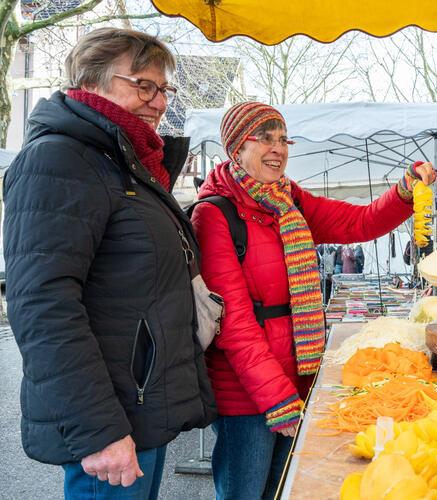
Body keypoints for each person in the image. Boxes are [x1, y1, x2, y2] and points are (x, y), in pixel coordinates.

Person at [2, 28, 217, 498]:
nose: (159, 102)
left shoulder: (127, 164)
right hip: (109, 420)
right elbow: (43, 306)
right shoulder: (59, 159)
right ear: (91, 82)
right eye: (143, 85)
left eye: (164, 89)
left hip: (139, 409)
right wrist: (99, 430)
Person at [190, 102, 436, 499]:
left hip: (297, 374)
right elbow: (233, 321)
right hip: (247, 394)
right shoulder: (215, 214)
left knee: (284, 488)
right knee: (245, 493)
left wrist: (404, 190)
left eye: (283, 139)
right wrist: (275, 395)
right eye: (265, 139)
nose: (278, 149)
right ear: (236, 149)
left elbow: (359, 222)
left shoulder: (290, 201)